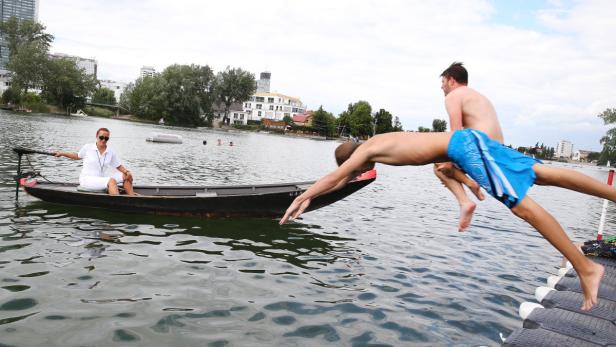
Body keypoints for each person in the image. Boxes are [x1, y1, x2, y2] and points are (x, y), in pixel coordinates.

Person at [280, 129, 609, 311]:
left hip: (464, 148)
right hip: (466, 142)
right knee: (541, 173)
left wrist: (303, 196)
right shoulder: (379, 142)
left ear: (351, 158)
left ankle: (586, 268)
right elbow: (341, 179)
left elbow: (335, 176)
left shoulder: (364, 153)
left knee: (522, 207)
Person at [435, 62, 505, 232]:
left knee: (438, 165)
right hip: (497, 149)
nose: (442, 88)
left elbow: (457, 134)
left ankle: (465, 200)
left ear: (452, 80)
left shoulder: (454, 96)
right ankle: (469, 185)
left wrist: (449, 163)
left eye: (443, 83)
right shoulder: (477, 96)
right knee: (446, 167)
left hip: (482, 146)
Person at [55, 127, 135, 196]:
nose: (103, 140)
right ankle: (118, 204)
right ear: (97, 136)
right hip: (87, 180)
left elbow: (118, 166)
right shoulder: (88, 147)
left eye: (106, 138)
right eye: (101, 137)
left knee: (126, 176)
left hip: (101, 179)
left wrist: (127, 172)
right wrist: (62, 153)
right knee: (111, 181)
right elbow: (77, 156)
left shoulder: (111, 151)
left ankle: (133, 199)